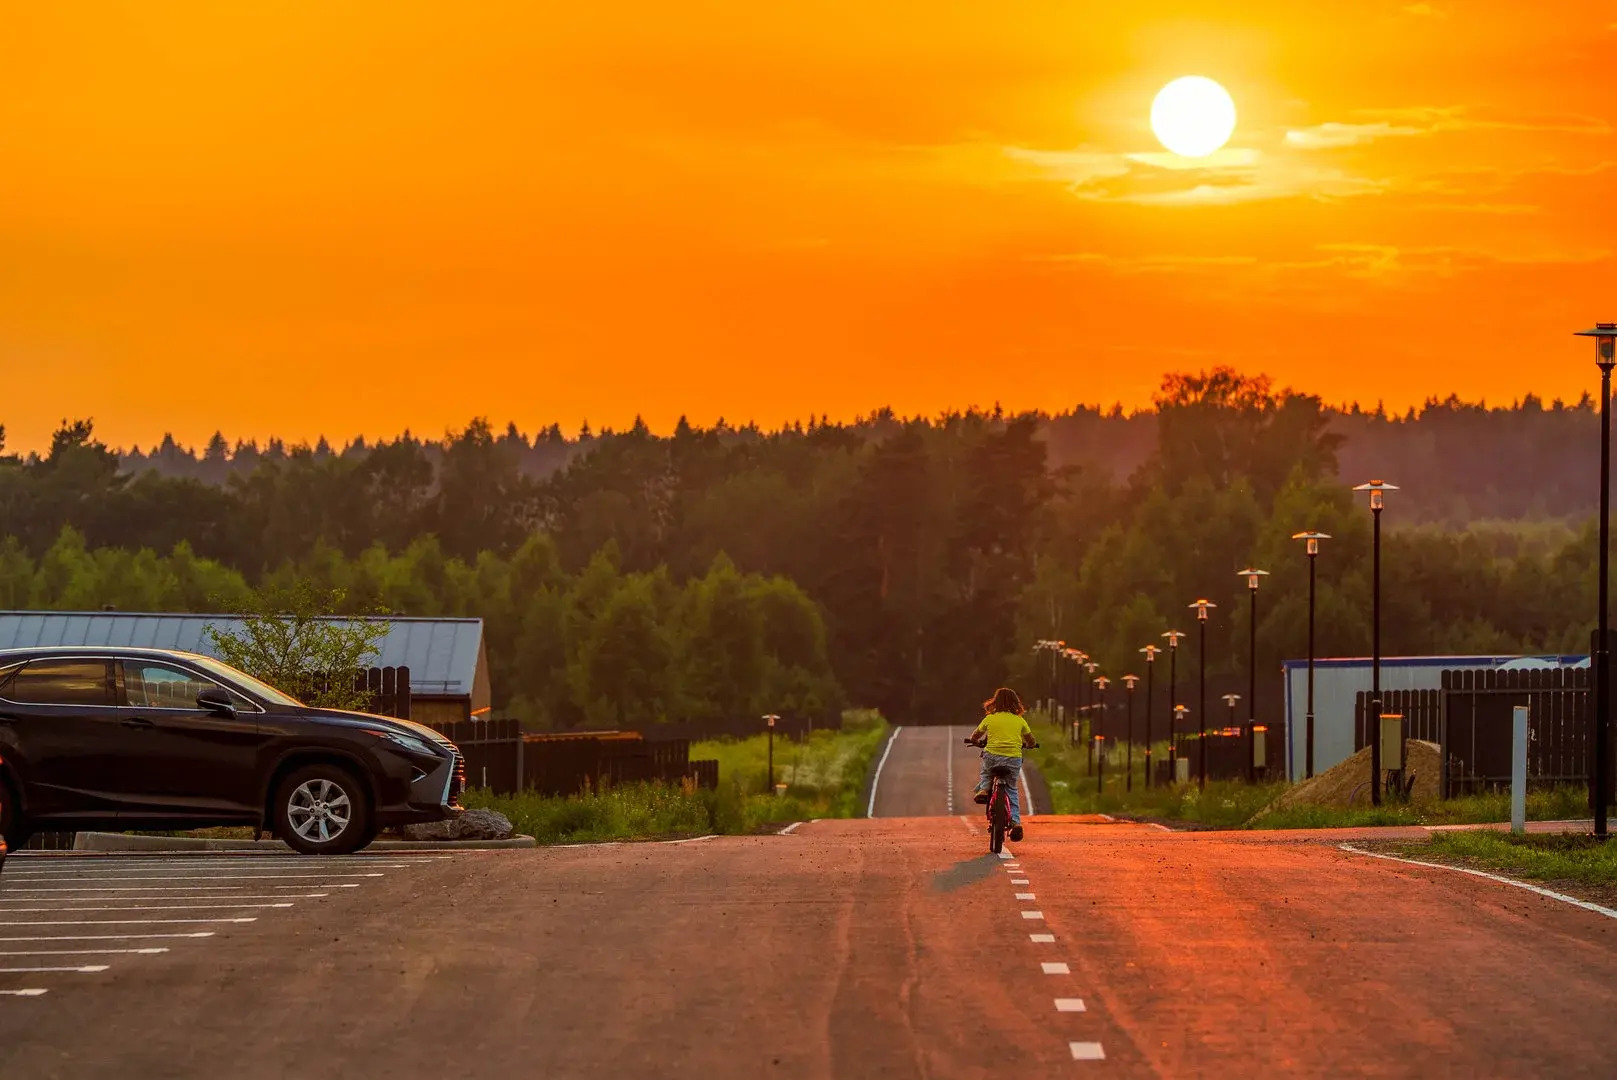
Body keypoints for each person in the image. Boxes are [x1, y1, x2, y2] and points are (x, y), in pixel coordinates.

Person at [968, 686, 1036, 842]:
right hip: (1013, 758)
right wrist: (1031, 745)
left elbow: (976, 735)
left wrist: (974, 741)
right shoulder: (1019, 720)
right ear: (1016, 703)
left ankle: (984, 789)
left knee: (986, 772)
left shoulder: (990, 719)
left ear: (995, 702)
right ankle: (1015, 822)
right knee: (1011, 788)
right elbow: (1030, 739)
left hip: (992, 756)